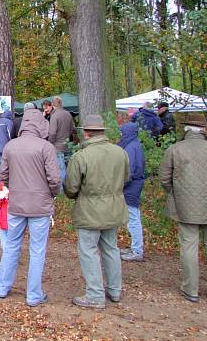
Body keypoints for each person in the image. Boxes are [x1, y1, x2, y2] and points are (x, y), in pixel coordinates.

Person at [0, 109, 61, 306]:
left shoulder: (10, 146)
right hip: (40, 206)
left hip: (16, 205)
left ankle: (1, 287)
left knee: (11, 246)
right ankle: (33, 295)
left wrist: (10, 189)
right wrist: (52, 194)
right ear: (41, 124)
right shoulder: (46, 147)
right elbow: (55, 179)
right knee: (37, 250)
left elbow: (2, 176)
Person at [65, 115, 130, 309]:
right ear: (102, 131)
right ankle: (114, 290)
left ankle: (95, 295)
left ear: (86, 132)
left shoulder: (81, 156)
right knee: (111, 248)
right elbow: (126, 178)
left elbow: (71, 187)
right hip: (113, 208)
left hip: (89, 211)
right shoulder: (120, 153)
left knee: (89, 250)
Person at [159, 113, 207, 303]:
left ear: (186, 128)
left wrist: (176, 192)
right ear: (203, 129)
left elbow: (164, 178)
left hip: (185, 205)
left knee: (189, 246)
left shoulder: (175, 149)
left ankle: (191, 289)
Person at [118, 122, 146, 262]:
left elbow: (130, 171)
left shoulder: (131, 147)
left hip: (131, 187)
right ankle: (135, 248)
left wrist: (120, 184)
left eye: (122, 132)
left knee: (133, 219)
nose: (121, 135)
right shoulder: (134, 145)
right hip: (133, 185)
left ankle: (137, 250)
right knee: (132, 218)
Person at [48, 96, 75, 185]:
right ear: (61, 103)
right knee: (69, 170)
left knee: (61, 171)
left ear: (52, 104)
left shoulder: (54, 115)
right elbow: (72, 129)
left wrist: (50, 143)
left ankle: (62, 194)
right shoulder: (68, 114)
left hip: (57, 147)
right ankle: (70, 189)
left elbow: (52, 133)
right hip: (67, 146)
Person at [0, 109, 13, 174]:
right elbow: (10, 134)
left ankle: (0, 181)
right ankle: (7, 180)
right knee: (8, 164)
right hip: (6, 147)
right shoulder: (9, 121)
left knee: (0, 164)